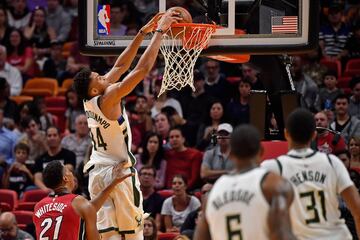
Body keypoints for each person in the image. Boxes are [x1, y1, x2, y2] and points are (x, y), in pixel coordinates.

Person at [73, 11, 181, 240]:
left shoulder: (89, 99)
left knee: (109, 236)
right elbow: (141, 70)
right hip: (118, 172)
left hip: (97, 174)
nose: (104, 77)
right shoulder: (108, 96)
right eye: (99, 78)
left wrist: (142, 33)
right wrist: (160, 31)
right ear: (95, 89)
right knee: (133, 234)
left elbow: (121, 65)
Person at [261, 109, 360, 239]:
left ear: (286, 134)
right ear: (314, 135)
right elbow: (357, 209)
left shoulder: (272, 168)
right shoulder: (332, 162)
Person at [195, 124, 295, 240]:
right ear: (261, 151)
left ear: (231, 154)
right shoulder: (273, 184)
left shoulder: (212, 194)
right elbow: (282, 235)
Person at [33, 160, 133, 240]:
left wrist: (113, 184)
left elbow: (87, 209)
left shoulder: (38, 206)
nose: (72, 174)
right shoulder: (79, 202)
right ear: (65, 178)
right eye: (69, 171)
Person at [34, 126, 76, 190]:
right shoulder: (39, 159)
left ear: (60, 137)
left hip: (64, 189)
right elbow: (37, 178)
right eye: (49, 136)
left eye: (55, 135)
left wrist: (58, 190)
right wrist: (46, 189)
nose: (52, 138)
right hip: (46, 192)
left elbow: (68, 170)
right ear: (46, 138)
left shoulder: (69, 155)